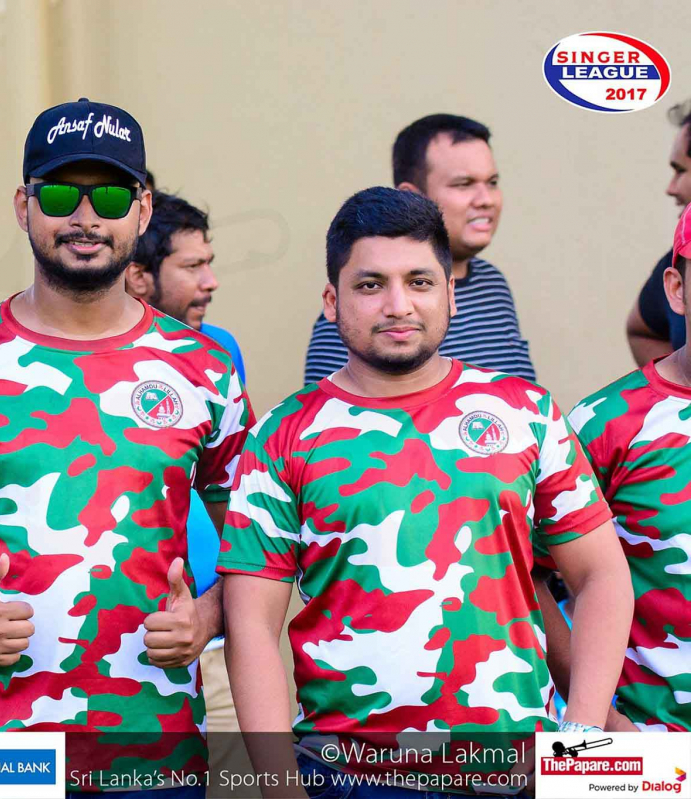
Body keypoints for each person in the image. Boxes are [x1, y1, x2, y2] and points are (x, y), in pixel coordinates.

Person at [0, 98, 253, 797]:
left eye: (109, 196)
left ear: (141, 209)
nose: (84, 216)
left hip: (155, 757)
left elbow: (257, 547)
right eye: (58, 195)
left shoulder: (205, 369)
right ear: (24, 206)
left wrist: (208, 613)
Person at [220, 187, 632, 798]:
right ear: (332, 301)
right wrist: (280, 789)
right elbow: (251, 624)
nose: (398, 305)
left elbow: (601, 576)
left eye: (419, 281)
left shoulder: (527, 414)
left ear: (450, 294)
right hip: (351, 778)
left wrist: (581, 739)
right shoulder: (283, 436)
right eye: (370, 285)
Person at [124, 189, 250, 784]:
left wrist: (213, 612)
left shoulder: (218, 355)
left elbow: (242, 504)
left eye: (210, 263)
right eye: (193, 266)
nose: (210, 282)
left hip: (211, 643)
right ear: (140, 276)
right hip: (95, 659)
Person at [568, 203, 691, 732]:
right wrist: (606, 723)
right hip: (650, 748)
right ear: (676, 290)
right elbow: (526, 580)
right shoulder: (604, 424)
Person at [304, 114, 535, 384]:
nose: (486, 200)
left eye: (492, 183)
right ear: (412, 195)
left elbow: (523, 395)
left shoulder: (493, 284)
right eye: (464, 184)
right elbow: (330, 405)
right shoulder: (358, 315)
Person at [625, 101, 691, 365]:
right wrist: (674, 386)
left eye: (681, 170)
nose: (671, 188)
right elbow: (642, 332)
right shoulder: (678, 263)